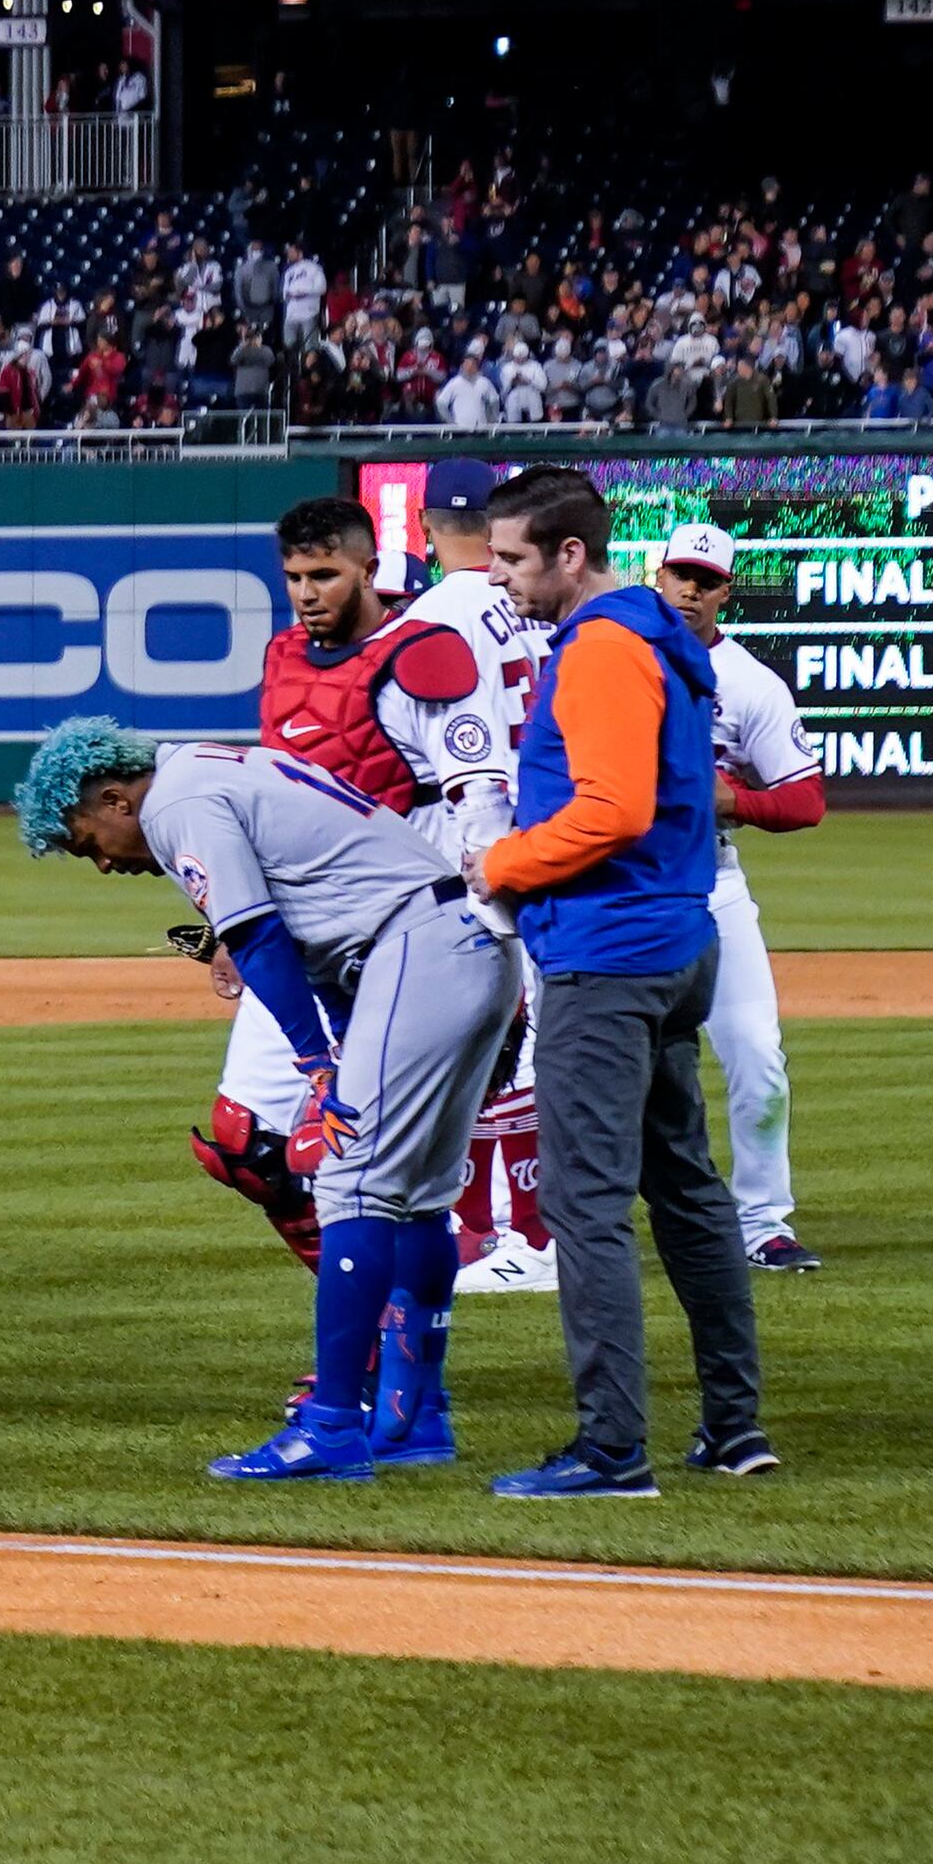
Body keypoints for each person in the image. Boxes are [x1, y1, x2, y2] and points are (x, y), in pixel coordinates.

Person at [24, 719, 521, 1481]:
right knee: (419, 1197)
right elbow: (321, 918)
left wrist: (318, 1067)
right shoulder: (218, 767)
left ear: (117, 800)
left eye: (87, 840)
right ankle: (418, 1416)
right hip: (461, 945)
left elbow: (256, 938)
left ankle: (330, 1426)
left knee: (350, 1187)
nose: (98, 863)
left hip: (415, 953)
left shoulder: (173, 804)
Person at [469, 466, 770, 1497]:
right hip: (675, 938)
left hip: (609, 950)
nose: (497, 574)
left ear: (567, 553)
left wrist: (498, 866)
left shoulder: (599, 645)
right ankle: (733, 1428)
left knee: (581, 1204)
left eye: (511, 556)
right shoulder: (660, 635)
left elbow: (609, 810)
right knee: (684, 1189)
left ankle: (610, 1450)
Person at [191, 492, 509, 1268]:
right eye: (294, 576)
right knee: (244, 1147)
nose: (307, 593)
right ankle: (363, 1339)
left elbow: (481, 801)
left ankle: (393, 1344)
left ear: (369, 567)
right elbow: (266, 803)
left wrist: (496, 936)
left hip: (410, 932)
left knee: (357, 1161)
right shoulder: (282, 659)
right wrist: (232, 929)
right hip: (306, 931)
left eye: (325, 575)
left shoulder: (425, 654)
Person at [398, 457, 560, 1292]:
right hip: (553, 830)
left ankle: (519, 1236)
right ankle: (507, 1230)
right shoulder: (543, 603)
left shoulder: (429, 618)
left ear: (423, 527)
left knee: (488, 1039)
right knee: (521, 1039)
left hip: (469, 829)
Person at [646, 524, 827, 1272]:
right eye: (679, 574)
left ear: (726, 591)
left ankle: (762, 1222)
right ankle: (540, 1226)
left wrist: (733, 802)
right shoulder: (610, 652)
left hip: (711, 887)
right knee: (574, 1070)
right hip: (612, 890)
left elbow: (805, 800)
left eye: (705, 580)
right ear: (655, 576)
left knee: (757, 1057)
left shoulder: (750, 683)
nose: (690, 590)